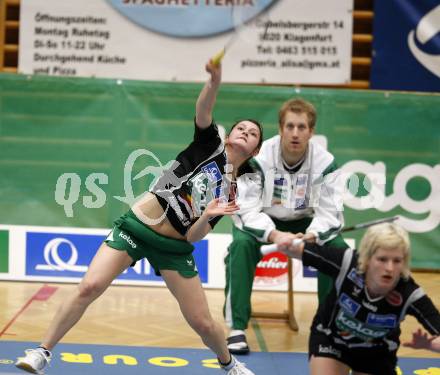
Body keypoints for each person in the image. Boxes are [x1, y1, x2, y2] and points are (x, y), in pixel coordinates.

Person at [15, 60, 262, 375]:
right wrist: (213, 83)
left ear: (254, 150)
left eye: (253, 133)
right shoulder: (209, 144)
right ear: (230, 136)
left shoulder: (230, 193)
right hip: (136, 228)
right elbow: (204, 111)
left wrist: (208, 215)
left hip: (174, 249)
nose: (245, 132)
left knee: (202, 322)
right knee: (89, 286)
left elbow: (193, 237)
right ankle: (42, 352)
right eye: (241, 127)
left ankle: (229, 364)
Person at [224, 98, 348, 354]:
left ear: (311, 132)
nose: (295, 133)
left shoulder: (326, 162)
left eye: (302, 127)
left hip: (306, 223)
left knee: (336, 248)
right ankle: (236, 327)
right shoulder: (259, 159)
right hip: (265, 219)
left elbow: (332, 214)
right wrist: (274, 233)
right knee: (240, 244)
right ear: (280, 128)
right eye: (289, 126)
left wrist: (313, 234)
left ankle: (328, 328)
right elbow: (245, 209)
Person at [279, 222, 440, 375]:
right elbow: (297, 250)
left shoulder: (410, 293)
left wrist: (430, 345)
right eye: (382, 259)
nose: (390, 268)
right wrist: (286, 242)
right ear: (368, 258)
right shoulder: (346, 262)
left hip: (376, 353)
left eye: (397, 261)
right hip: (331, 340)